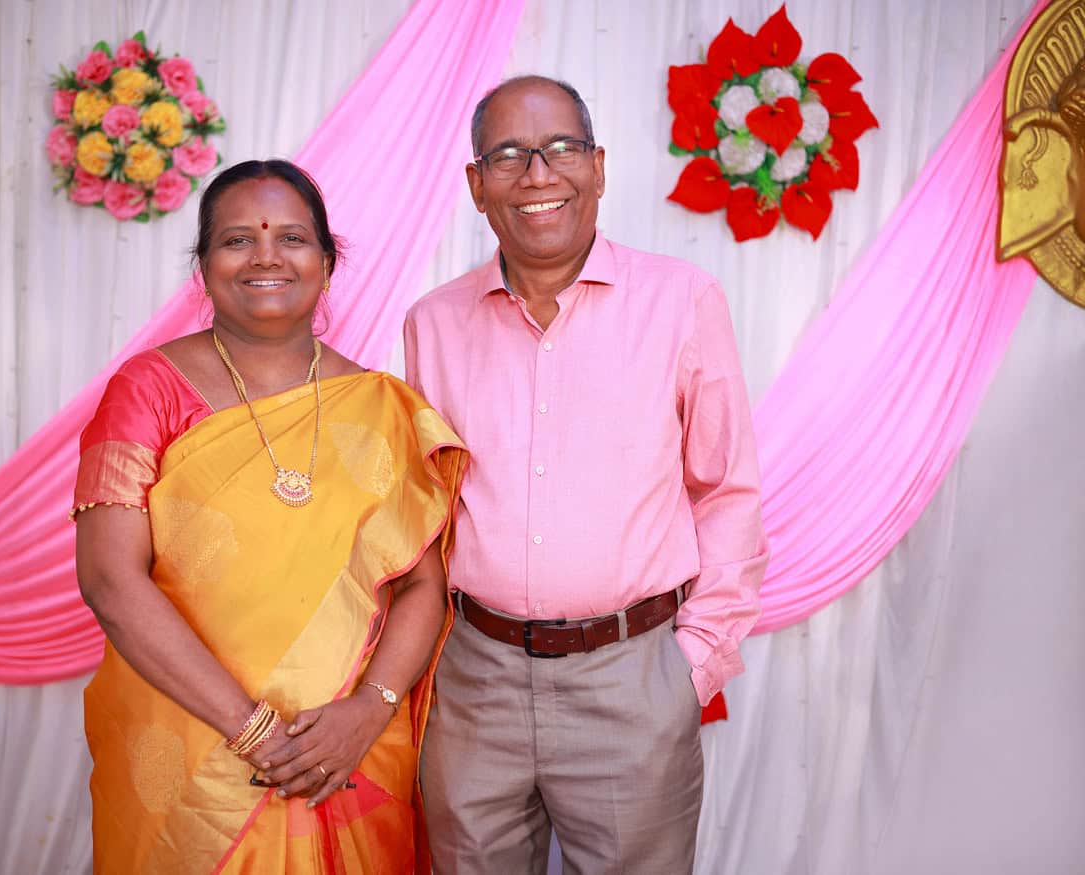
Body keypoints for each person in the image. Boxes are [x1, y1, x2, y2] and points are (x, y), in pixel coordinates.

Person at [404, 76, 769, 874]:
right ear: (475, 184)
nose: (538, 173)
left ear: (598, 167)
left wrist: (690, 666)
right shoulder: (431, 323)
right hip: (474, 679)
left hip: (631, 675)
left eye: (561, 148)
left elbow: (728, 490)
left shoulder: (681, 301)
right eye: (507, 154)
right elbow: (420, 513)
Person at [73, 159, 467, 874]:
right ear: (202, 262)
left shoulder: (382, 405)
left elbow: (421, 584)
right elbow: (109, 579)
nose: (265, 256)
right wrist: (252, 729)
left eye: (291, 238)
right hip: (189, 742)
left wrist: (368, 711)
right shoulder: (146, 391)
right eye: (235, 240)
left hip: (345, 751)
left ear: (326, 260)